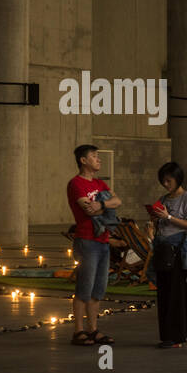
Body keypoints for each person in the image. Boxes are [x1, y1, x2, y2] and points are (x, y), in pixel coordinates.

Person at [66, 144, 122, 346]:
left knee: (98, 289)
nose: (99, 159)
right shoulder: (76, 183)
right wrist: (105, 209)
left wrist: (103, 205)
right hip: (87, 240)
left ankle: (93, 329)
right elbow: (88, 210)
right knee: (84, 287)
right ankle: (78, 331)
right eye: (94, 156)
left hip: (103, 241)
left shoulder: (100, 183)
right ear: (83, 160)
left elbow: (117, 201)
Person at [145, 162, 187, 349]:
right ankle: (166, 335)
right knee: (164, 293)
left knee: (177, 294)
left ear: (178, 179)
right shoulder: (164, 198)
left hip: (178, 251)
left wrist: (168, 217)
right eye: (163, 181)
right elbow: (161, 223)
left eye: (169, 180)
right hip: (162, 247)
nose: (166, 184)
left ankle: (178, 336)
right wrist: (154, 223)